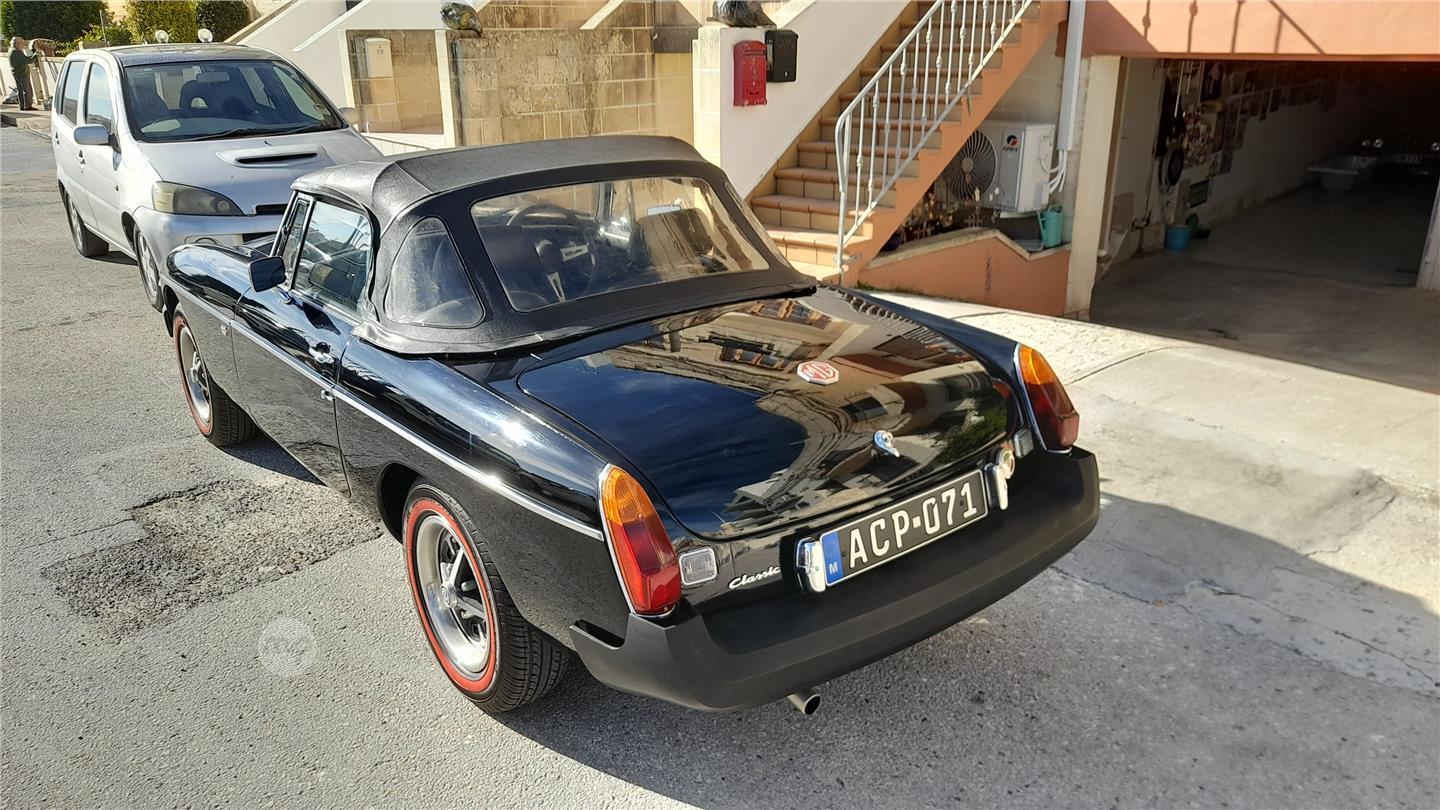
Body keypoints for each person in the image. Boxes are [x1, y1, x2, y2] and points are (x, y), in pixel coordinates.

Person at [8, 37, 41, 111]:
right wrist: (36, 55)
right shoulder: (17, 52)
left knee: (20, 90)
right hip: (22, 73)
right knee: (27, 90)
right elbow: (29, 60)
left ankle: (22, 106)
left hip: (16, 73)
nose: (23, 45)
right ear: (17, 44)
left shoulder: (10, 50)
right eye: (21, 43)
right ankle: (28, 106)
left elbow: (24, 59)